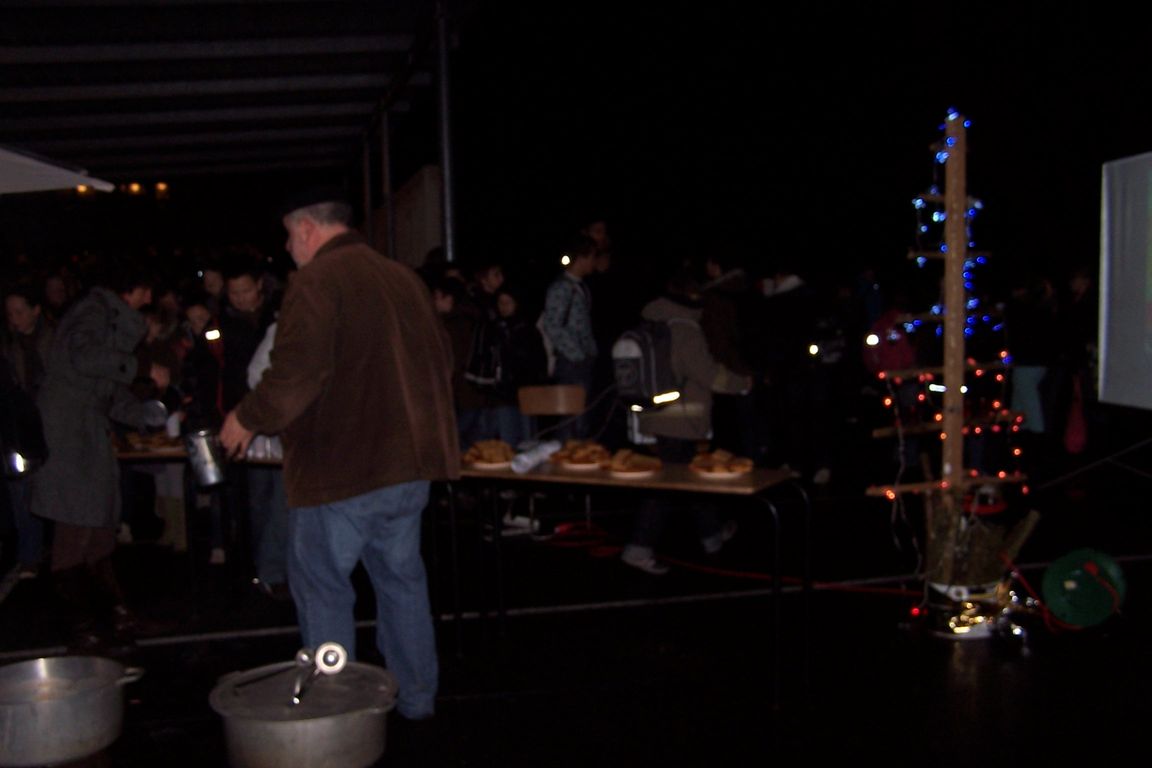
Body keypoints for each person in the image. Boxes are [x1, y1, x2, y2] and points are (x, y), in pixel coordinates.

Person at [219, 188, 460, 723]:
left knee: (323, 590)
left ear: (307, 228)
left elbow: (294, 375)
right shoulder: (403, 278)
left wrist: (246, 417)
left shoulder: (317, 281)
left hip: (343, 470)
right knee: (402, 584)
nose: (287, 248)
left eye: (289, 236)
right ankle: (417, 701)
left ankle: (336, 714)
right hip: (408, 467)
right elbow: (442, 363)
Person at [31, 255, 172, 651]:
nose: (148, 299)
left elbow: (104, 389)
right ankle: (80, 627)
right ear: (133, 288)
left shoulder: (106, 315)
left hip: (86, 433)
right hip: (68, 437)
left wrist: (142, 414)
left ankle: (118, 616)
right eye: (145, 290)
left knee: (98, 529)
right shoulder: (93, 311)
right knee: (75, 528)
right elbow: (86, 358)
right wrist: (141, 367)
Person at [620, 267, 736, 575]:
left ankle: (712, 536)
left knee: (689, 478)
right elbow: (707, 374)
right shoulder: (684, 328)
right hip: (680, 418)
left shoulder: (653, 321)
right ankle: (638, 549)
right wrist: (744, 383)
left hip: (654, 415)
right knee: (666, 486)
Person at [2, 284, 56, 579]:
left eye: (19, 312)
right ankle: (30, 555)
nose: (14, 318)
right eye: (9, 313)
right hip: (20, 431)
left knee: (53, 490)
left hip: (53, 426)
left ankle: (57, 548)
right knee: (22, 490)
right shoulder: (8, 347)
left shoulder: (55, 341)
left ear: (35, 310)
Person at [539, 233, 598, 439]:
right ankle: (568, 452)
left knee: (581, 416)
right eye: (592, 257)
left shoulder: (580, 287)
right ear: (582, 257)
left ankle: (577, 450)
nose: (594, 263)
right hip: (571, 362)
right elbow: (552, 324)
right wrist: (576, 354)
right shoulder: (562, 287)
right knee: (573, 417)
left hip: (582, 359)